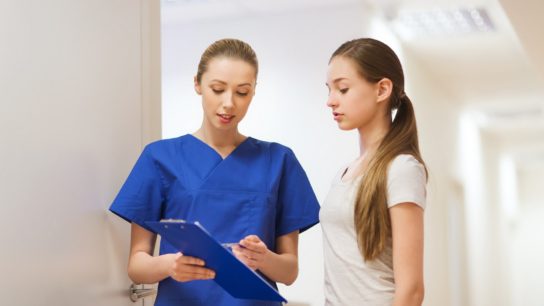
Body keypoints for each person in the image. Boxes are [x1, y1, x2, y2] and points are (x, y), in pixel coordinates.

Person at [109, 38, 320, 306]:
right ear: (197, 84)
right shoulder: (159, 157)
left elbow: (289, 272)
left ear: (254, 91)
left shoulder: (279, 160)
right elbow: (137, 265)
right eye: (218, 89)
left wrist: (263, 258)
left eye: (242, 92)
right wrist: (170, 264)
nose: (229, 103)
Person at [320, 38, 427, 306]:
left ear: (382, 89)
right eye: (329, 89)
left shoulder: (402, 168)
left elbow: (412, 290)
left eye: (342, 89)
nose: (331, 101)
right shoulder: (344, 172)